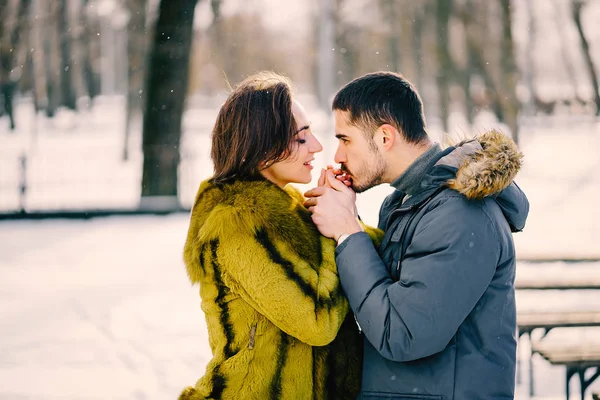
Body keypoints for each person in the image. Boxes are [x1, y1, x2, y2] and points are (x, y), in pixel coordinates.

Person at [304, 71, 530, 400]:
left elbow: (403, 333)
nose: (337, 155)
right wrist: (343, 222)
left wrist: (348, 232)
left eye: (345, 139)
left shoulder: (461, 213)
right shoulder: (404, 204)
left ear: (385, 137)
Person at [179, 71, 382, 400]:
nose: (317, 147)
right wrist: (336, 231)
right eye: (301, 138)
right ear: (260, 146)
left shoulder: (288, 209)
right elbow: (317, 321)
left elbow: (375, 254)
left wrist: (343, 216)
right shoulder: (237, 223)